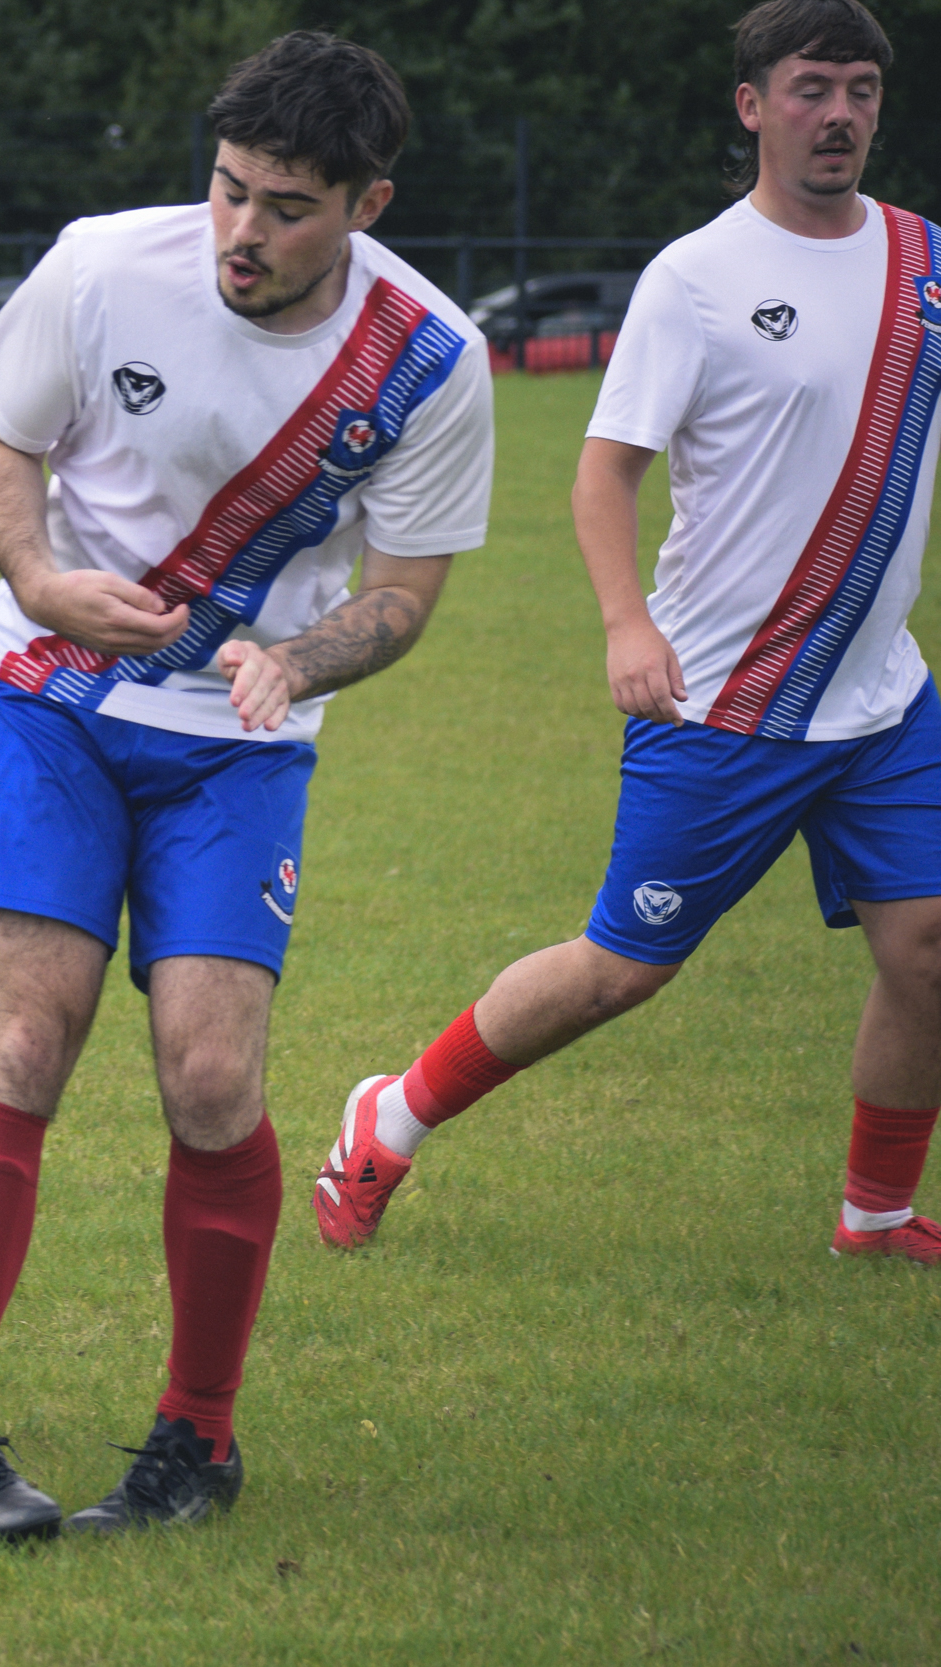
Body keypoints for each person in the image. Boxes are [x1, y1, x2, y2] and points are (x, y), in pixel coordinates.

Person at [0, 31, 495, 1541]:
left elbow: (406, 591)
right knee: (25, 1035)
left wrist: (294, 666)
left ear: (366, 203)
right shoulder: (104, 266)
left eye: (288, 206)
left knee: (215, 1076)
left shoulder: (430, 359)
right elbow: (0, 441)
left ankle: (197, 1445)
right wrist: (40, 572)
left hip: (240, 742)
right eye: (229, 190)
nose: (242, 230)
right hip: (53, 699)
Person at [316, 0, 941, 1268]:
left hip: (881, 701)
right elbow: (602, 476)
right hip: (723, 700)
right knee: (619, 969)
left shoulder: (925, 259)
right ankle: (392, 1110)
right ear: (752, 105)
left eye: (861, 89)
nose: (838, 114)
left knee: (928, 950)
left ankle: (873, 1217)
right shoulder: (695, 279)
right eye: (811, 87)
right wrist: (624, 625)